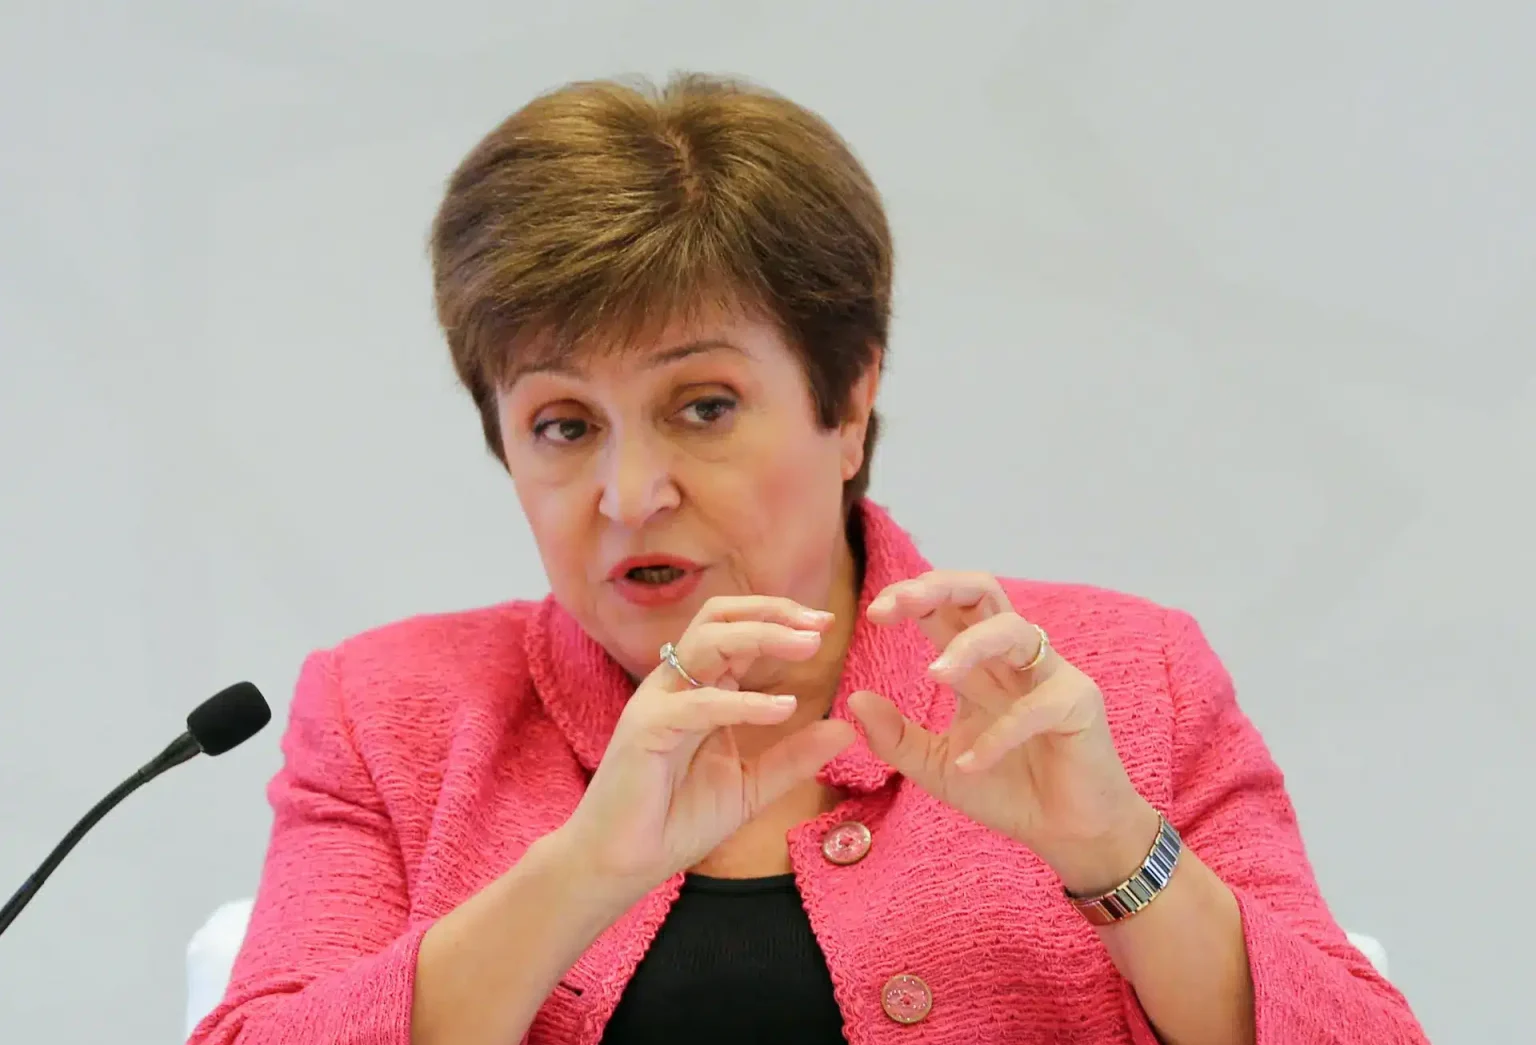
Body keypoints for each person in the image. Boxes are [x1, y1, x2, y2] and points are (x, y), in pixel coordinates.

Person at [189, 73, 1428, 1045]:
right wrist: (576, 875)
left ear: (848, 401)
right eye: (563, 425)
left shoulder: (1116, 679)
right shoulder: (389, 715)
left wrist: (1119, 857)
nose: (630, 493)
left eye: (704, 406)